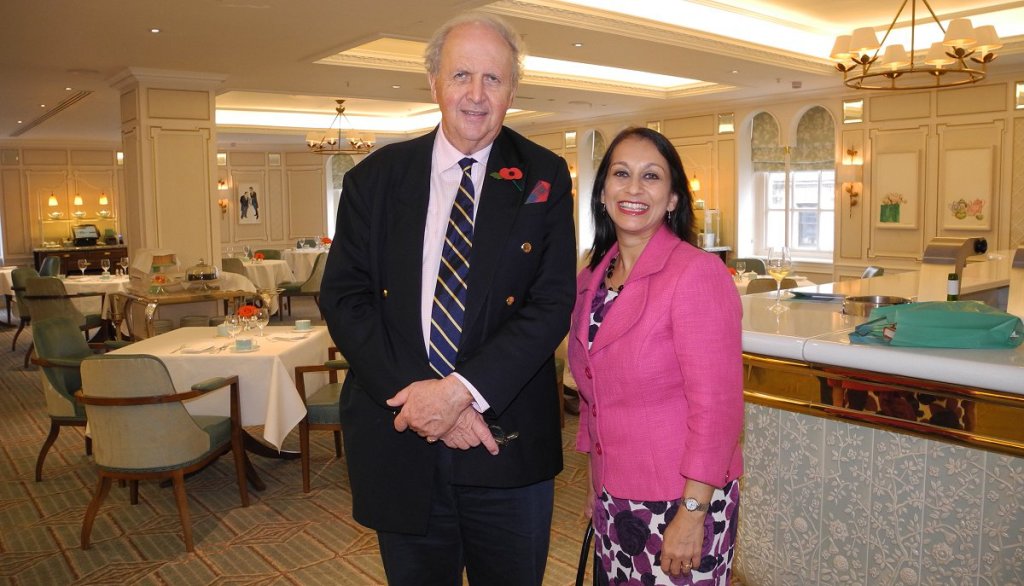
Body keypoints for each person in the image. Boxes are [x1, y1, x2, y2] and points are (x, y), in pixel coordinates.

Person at [320, 11, 576, 586]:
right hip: (402, 438)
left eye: (493, 78)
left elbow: (550, 303)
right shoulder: (374, 179)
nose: (476, 95)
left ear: (513, 90)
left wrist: (460, 393)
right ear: (433, 81)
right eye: (462, 75)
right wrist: (425, 401)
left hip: (505, 443)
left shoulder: (545, 175)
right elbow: (345, 299)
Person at [568, 127, 744, 585]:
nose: (633, 188)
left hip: (679, 501)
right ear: (602, 191)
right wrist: (594, 484)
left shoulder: (697, 274)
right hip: (613, 496)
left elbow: (717, 410)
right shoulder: (591, 280)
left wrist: (692, 514)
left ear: (672, 199)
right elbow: (593, 397)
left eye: (651, 176)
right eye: (620, 174)